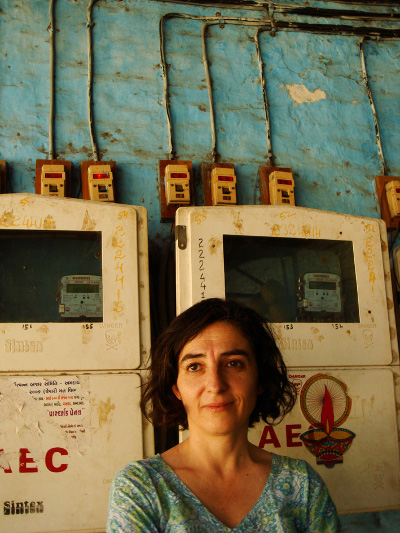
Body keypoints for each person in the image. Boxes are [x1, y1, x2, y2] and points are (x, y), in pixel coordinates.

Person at [107, 298, 340, 532]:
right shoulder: (140, 488)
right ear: (176, 388)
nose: (215, 385)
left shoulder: (303, 486)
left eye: (233, 364)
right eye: (194, 366)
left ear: (260, 379)